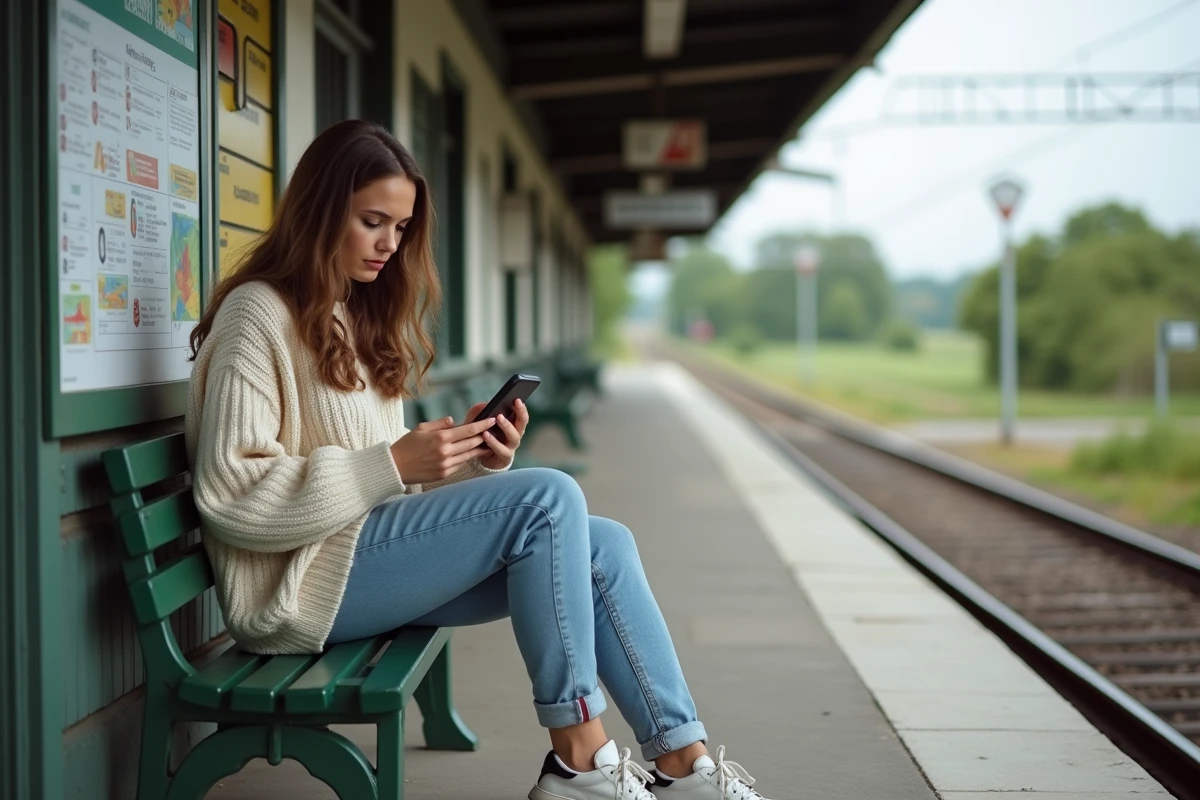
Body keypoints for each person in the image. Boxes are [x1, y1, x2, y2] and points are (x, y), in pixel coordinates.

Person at [185, 119, 773, 800]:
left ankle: (681, 762)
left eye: (401, 228)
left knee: (602, 543)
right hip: (297, 591)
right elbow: (233, 498)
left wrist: (468, 462)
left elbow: (388, 494)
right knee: (549, 499)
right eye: (372, 221)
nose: (389, 244)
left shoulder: (348, 313)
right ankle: (579, 762)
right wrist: (395, 464)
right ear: (320, 212)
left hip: (355, 562)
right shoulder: (256, 316)